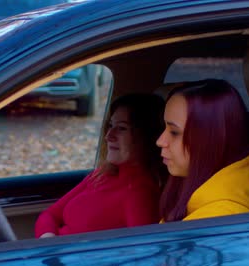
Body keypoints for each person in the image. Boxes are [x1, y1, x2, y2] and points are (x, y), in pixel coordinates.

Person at [35, 93, 166, 238]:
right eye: (110, 125)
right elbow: (50, 214)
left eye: (122, 128)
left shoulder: (141, 193)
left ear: (146, 136)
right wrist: (48, 240)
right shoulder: (102, 174)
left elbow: (143, 252)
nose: (108, 135)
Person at [156, 79, 249, 222]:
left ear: (210, 139)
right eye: (164, 127)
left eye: (174, 132)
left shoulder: (219, 218)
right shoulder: (194, 193)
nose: (159, 141)